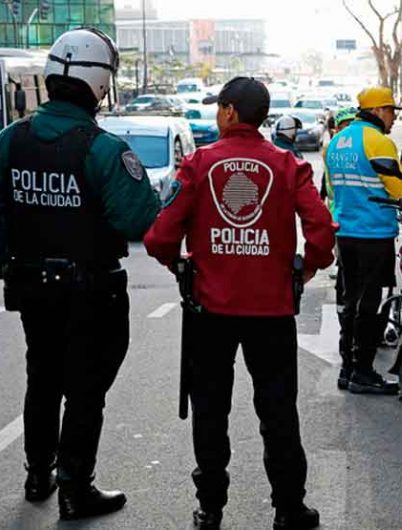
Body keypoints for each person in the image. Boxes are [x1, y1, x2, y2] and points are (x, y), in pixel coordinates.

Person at [144, 77, 335, 530]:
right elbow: (322, 230)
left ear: (229, 112)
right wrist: (308, 267)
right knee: (279, 412)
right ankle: (289, 508)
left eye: (219, 108)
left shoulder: (199, 164)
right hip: (271, 314)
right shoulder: (287, 165)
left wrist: (181, 267)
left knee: (210, 411)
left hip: (209, 314)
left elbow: (159, 237)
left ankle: (210, 508)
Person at [0, 28, 159, 519]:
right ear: (99, 85)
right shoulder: (104, 149)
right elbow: (138, 219)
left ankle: (36, 474)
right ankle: (75, 488)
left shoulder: (10, 139)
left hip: (29, 288)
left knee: (42, 377)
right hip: (91, 293)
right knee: (85, 391)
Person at [326, 86, 402, 394]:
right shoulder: (378, 141)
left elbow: (333, 188)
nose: (393, 118)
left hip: (345, 232)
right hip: (374, 233)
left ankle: (348, 369)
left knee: (350, 300)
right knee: (372, 304)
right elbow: (400, 191)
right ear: (377, 111)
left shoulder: (337, 141)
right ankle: (363, 371)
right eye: (391, 111)